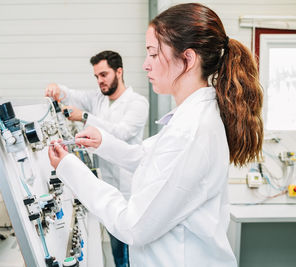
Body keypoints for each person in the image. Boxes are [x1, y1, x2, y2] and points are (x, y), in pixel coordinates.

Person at [49, 3, 263, 266]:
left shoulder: (189, 131)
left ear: (187, 59)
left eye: (152, 53)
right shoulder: (192, 117)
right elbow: (143, 155)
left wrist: (69, 169)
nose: (145, 65)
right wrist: (102, 143)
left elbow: (132, 226)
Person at [45, 50, 149, 267]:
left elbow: (121, 133)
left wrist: (84, 117)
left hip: (128, 189)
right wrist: (57, 88)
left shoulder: (138, 103)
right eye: (96, 76)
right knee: (115, 249)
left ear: (119, 72)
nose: (100, 81)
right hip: (105, 186)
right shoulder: (98, 98)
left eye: (104, 74)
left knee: (127, 252)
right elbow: (70, 94)